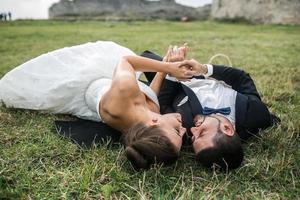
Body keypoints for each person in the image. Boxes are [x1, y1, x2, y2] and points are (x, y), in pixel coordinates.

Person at [0, 41, 192, 170]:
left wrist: (167, 68)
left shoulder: (122, 96)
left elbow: (126, 61)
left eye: (177, 131)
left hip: (91, 81)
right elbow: (151, 95)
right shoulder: (149, 117)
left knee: (45, 77)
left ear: (153, 123)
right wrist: (167, 65)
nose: (183, 129)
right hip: (118, 86)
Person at [141, 46, 280, 170]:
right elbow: (241, 78)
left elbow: (163, 104)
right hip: (199, 75)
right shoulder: (256, 114)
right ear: (227, 129)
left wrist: (170, 70)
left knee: (142, 62)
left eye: (194, 138)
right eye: (201, 133)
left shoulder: (184, 128)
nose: (193, 130)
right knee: (145, 57)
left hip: (175, 85)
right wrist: (204, 69)